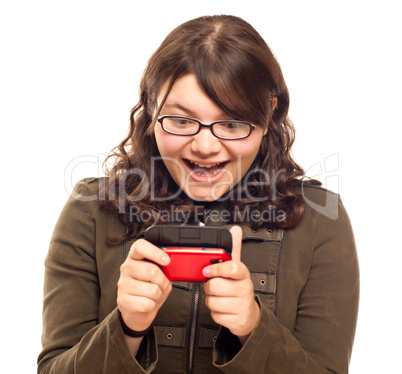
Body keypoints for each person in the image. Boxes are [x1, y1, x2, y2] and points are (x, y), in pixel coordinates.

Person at [38, 15, 359, 373]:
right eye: (180, 120)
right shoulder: (92, 210)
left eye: (233, 123)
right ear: (150, 108)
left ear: (267, 116)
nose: (205, 146)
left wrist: (253, 327)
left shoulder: (319, 220)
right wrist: (126, 327)